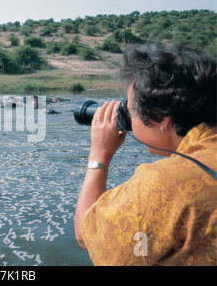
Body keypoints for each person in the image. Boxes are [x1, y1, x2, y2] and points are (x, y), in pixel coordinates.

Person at [74, 43, 216, 266]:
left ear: (165, 120)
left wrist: (99, 153)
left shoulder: (165, 184)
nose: (130, 117)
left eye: (131, 110)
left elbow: (87, 236)